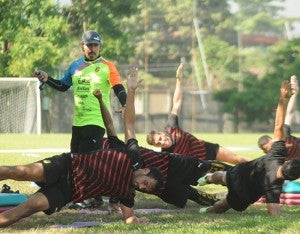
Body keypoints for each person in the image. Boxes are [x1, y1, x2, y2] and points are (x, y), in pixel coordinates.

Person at [93, 68, 228, 211]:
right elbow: (118, 185)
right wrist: (114, 202)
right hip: (161, 186)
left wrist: (116, 96)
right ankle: (227, 202)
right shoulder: (110, 169)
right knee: (193, 195)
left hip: (173, 164)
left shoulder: (123, 150)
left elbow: (116, 125)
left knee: (206, 167)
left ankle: (237, 178)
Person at [34, 30, 127, 206]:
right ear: (82, 46)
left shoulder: (108, 66)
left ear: (100, 47)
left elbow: (118, 87)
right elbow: (62, 86)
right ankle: (94, 197)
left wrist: (125, 103)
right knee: (75, 159)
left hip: (97, 120)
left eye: (95, 45)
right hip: (78, 122)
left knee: (87, 160)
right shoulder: (75, 65)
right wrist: (47, 79)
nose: (92, 48)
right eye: (89, 45)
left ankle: (89, 196)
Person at [197, 79, 299, 216]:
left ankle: (206, 179)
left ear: (287, 161)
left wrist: (282, 99)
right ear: (291, 178)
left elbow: (278, 125)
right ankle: (206, 210)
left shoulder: (277, 154)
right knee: (223, 206)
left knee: (221, 176)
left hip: (239, 173)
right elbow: (273, 212)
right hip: (243, 194)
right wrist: (286, 216)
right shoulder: (274, 187)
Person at [0, 150, 165, 227]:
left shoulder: (127, 193)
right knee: (18, 172)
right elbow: (122, 125)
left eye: (145, 189)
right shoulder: (130, 158)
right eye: (145, 183)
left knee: (25, 210)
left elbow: (128, 218)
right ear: (145, 171)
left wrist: (138, 221)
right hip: (65, 166)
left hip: (67, 192)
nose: (141, 187)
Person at [146, 63, 250, 165]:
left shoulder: (172, 127)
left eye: (160, 139)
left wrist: (178, 79)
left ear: (161, 133)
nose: (162, 142)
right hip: (198, 166)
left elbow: (177, 102)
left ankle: (260, 167)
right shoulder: (167, 154)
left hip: (206, 149)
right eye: (158, 144)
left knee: (237, 159)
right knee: (226, 174)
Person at [258, 75, 300, 161]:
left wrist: (295, 93)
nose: (275, 146)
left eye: (273, 144)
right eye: (270, 149)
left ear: (272, 139)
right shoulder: (274, 159)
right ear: (266, 152)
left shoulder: (283, 135)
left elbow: (289, 113)